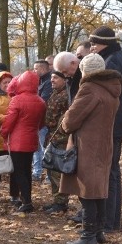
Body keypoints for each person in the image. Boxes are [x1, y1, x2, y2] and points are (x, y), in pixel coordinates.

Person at [61, 53, 122, 244]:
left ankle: (88, 234)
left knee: (86, 190)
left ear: (84, 71)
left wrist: (65, 122)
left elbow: (70, 121)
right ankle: (97, 232)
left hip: (88, 145)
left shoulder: (89, 89)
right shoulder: (112, 89)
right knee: (99, 189)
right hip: (104, 144)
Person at [89, 25, 122, 233]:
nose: (92, 48)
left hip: (113, 123)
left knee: (109, 172)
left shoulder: (112, 62)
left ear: (104, 44)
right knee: (112, 171)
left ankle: (108, 221)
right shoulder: (120, 57)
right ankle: (111, 220)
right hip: (119, 122)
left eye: (94, 44)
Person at [0, 71, 46, 212]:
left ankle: (26, 202)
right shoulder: (40, 101)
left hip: (17, 141)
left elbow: (9, 122)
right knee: (27, 171)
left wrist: (3, 133)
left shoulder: (17, 100)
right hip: (31, 140)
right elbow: (41, 123)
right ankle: (27, 199)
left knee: (19, 172)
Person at [0, 71, 19, 204]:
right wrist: (6, 119)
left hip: (13, 135)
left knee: (15, 167)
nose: (7, 85)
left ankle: (14, 195)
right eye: (4, 82)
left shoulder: (15, 96)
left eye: (9, 82)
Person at [42, 70, 70, 213]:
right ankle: (56, 200)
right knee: (51, 170)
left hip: (60, 138)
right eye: (51, 77)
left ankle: (61, 202)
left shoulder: (67, 95)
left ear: (64, 80)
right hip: (51, 136)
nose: (52, 80)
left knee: (58, 171)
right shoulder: (55, 93)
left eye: (56, 78)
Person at [32, 59, 52, 182]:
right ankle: (37, 172)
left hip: (44, 121)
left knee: (44, 148)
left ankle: (49, 175)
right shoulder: (40, 81)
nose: (34, 71)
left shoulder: (48, 82)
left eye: (36, 69)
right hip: (39, 120)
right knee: (37, 148)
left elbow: (43, 101)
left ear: (43, 69)